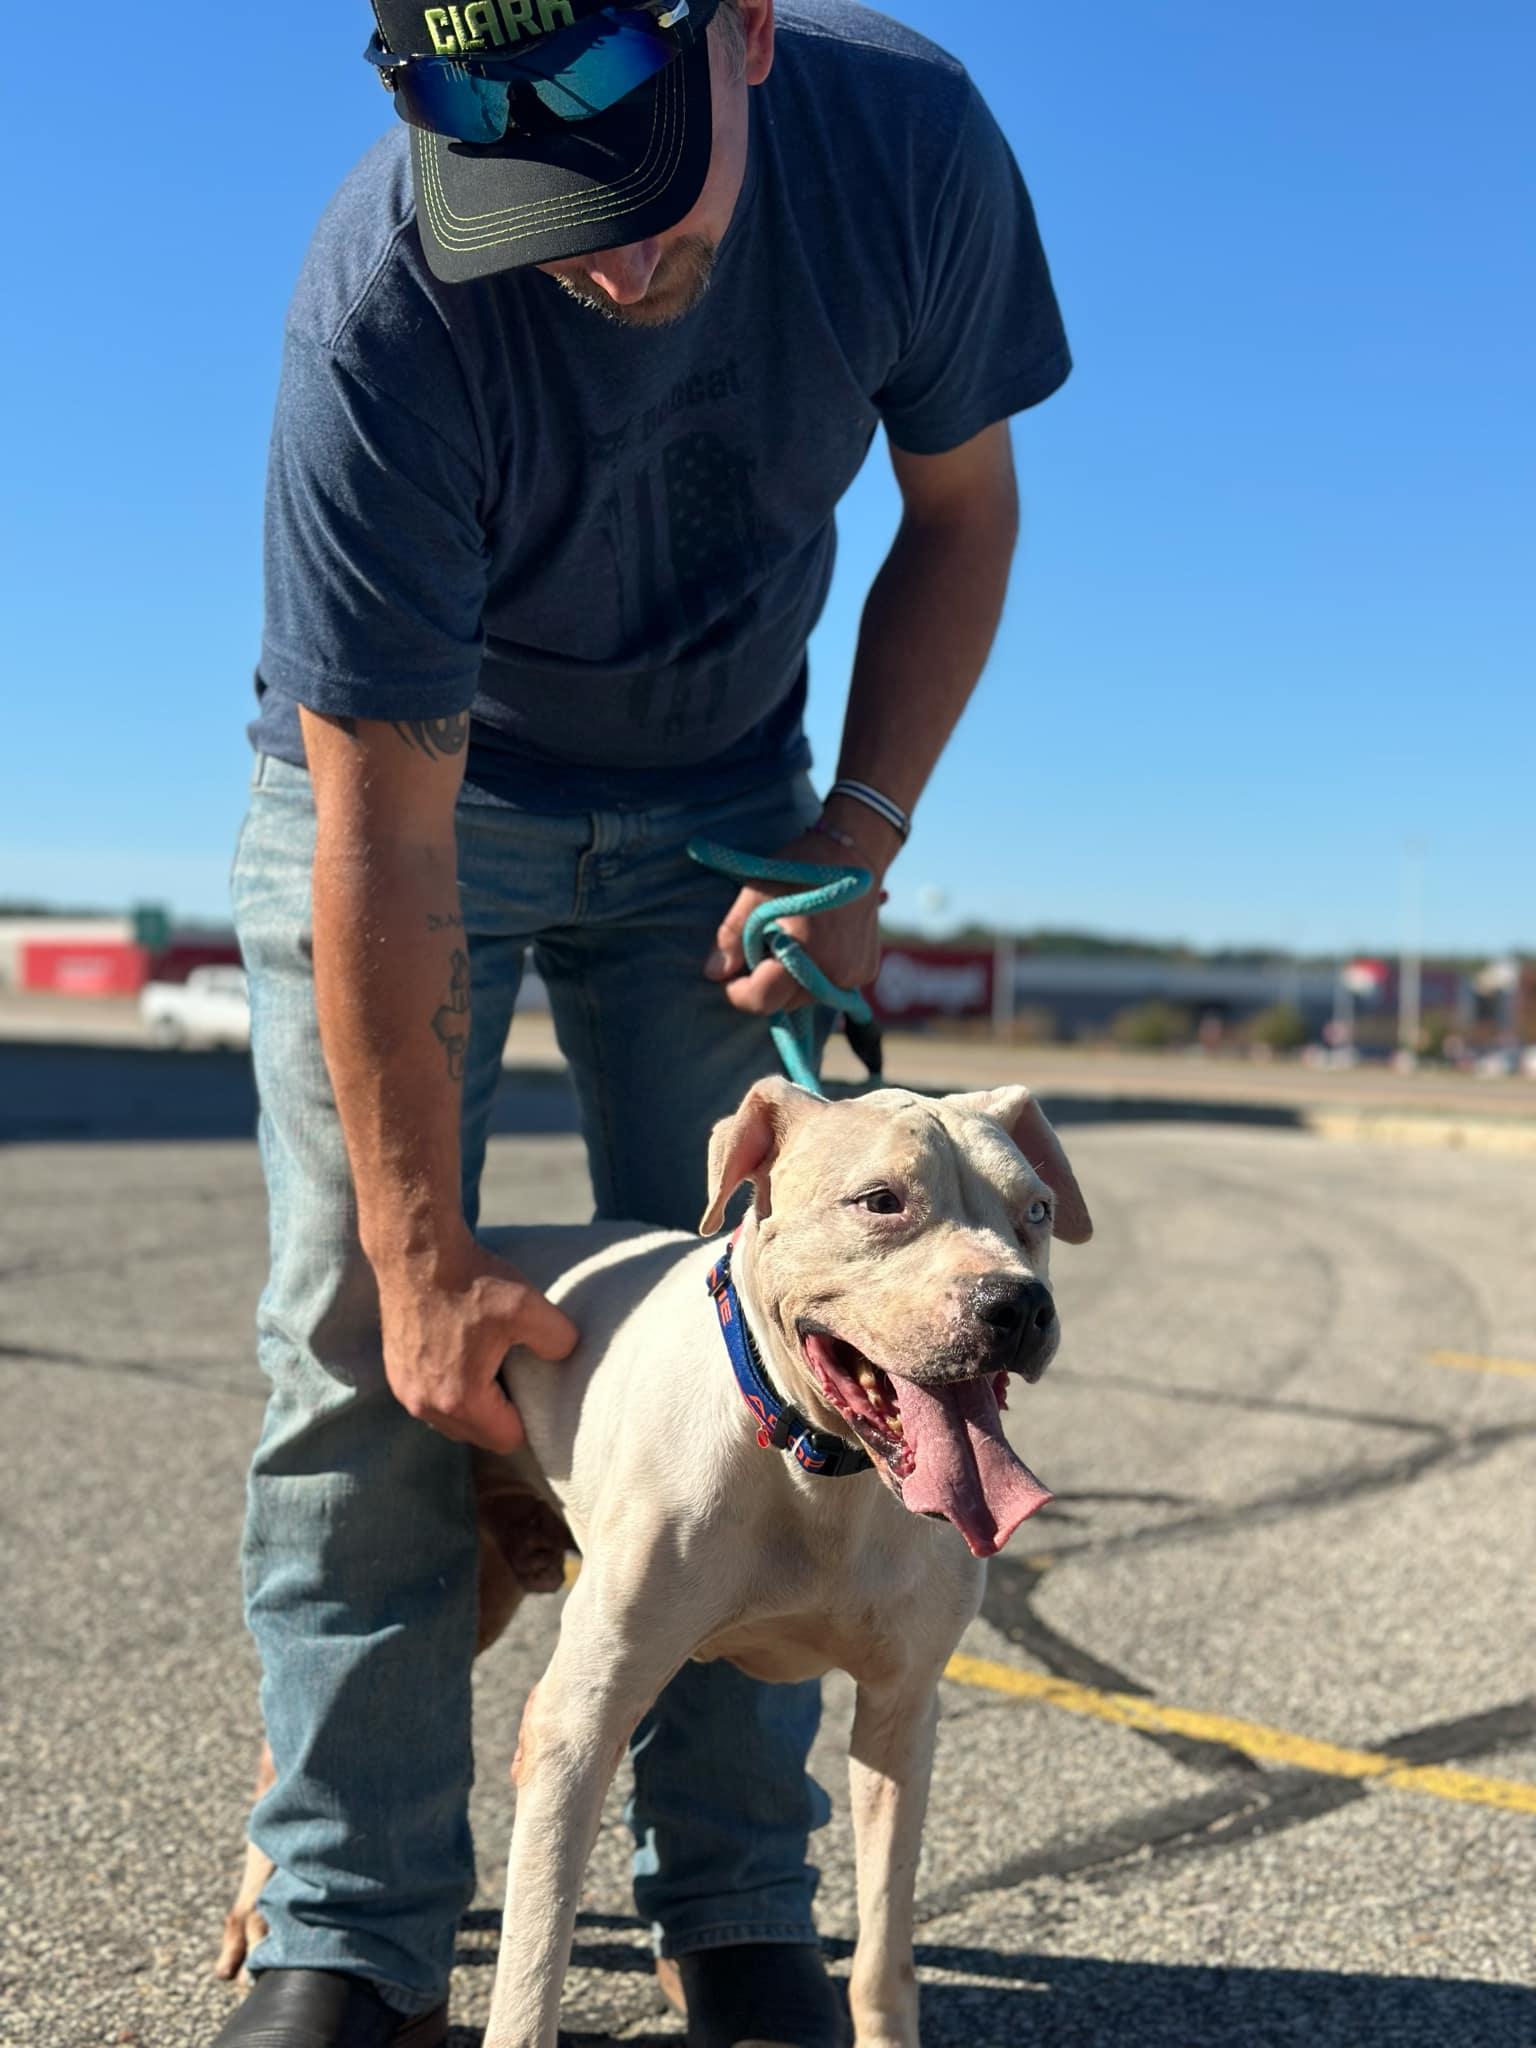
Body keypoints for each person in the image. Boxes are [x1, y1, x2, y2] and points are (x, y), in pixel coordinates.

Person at [221, 1, 1069, 2042]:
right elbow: (383, 833)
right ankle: (349, 1925)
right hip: (421, 801)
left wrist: (858, 833)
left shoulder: (912, 151)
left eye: (624, 188)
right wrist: (423, 1257)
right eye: (531, 210)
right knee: (363, 1351)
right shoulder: (384, 304)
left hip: (727, 800)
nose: (592, 257)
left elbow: (962, 512)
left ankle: (736, 1906)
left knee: (765, 1352)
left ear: (747, 35)